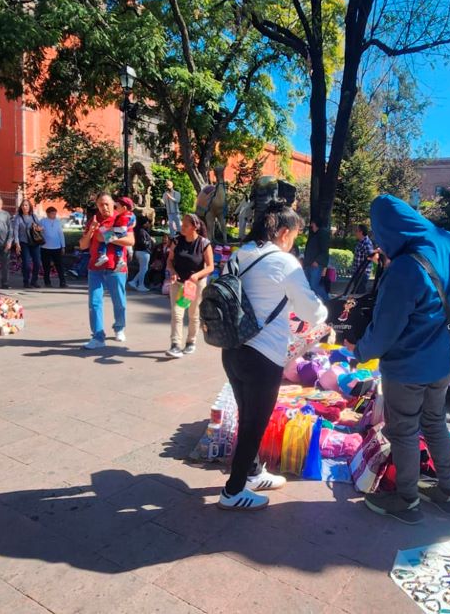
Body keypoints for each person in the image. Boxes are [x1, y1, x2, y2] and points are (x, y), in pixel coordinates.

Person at [349, 195, 450, 524]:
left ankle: (407, 500)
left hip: (408, 365)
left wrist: (358, 352)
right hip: (443, 358)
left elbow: (386, 328)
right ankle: (448, 493)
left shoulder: (405, 267)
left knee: (403, 431)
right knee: (434, 423)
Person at [217, 201, 327, 511]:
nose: (293, 242)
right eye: (293, 235)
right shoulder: (284, 262)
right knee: (255, 422)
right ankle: (233, 491)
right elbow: (310, 310)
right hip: (263, 356)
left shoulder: (240, 254)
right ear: (282, 232)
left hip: (232, 349)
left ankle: (251, 472)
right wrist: (324, 312)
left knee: (246, 413)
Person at [80, 192, 134, 349]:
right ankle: (98, 336)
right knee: (95, 302)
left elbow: (130, 240)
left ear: (113, 204)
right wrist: (92, 231)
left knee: (120, 302)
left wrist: (106, 236)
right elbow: (83, 245)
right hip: (95, 267)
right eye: (100, 205)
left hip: (117, 267)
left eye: (107, 204)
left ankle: (119, 327)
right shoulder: (94, 220)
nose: (104, 207)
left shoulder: (121, 217)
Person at [165, 213, 215, 358]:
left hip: (195, 285)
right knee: (177, 313)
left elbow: (211, 266)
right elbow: (169, 260)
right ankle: (175, 345)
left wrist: (197, 275)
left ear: (194, 227)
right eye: (182, 224)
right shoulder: (176, 241)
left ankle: (191, 342)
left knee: (193, 314)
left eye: (186, 225)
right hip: (179, 282)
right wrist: (172, 271)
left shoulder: (204, 243)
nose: (182, 227)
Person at [11, 199, 43, 288]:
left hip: (34, 242)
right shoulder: (18, 217)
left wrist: (39, 228)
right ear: (21, 207)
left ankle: (34, 281)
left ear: (29, 207)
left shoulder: (33, 216)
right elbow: (15, 232)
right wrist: (17, 244)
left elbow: (40, 226)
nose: (25, 207)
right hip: (24, 243)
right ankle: (26, 281)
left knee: (37, 262)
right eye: (23, 205)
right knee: (26, 263)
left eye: (26, 205)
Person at [39, 206, 68, 288]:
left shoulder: (58, 222)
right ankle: (47, 282)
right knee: (46, 266)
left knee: (60, 266)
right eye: (52, 213)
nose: (54, 215)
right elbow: (39, 232)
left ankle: (62, 282)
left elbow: (61, 234)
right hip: (45, 247)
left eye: (55, 213)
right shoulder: (42, 221)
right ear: (47, 213)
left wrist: (63, 246)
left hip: (57, 247)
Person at [303, 220, 331, 301]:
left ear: (315, 224)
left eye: (312, 223)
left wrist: (318, 261)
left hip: (315, 265)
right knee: (310, 286)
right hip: (309, 264)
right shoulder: (315, 234)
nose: (310, 225)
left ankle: (327, 301)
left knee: (314, 285)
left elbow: (325, 250)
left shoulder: (322, 234)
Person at [129, 216, 154, 293]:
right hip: (143, 252)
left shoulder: (139, 231)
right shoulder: (142, 231)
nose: (148, 224)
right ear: (144, 223)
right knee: (144, 269)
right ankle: (140, 284)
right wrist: (151, 241)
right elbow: (143, 243)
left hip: (140, 252)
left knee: (143, 269)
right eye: (146, 222)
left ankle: (135, 282)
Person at [351, 224, 377, 294]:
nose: (355, 233)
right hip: (358, 273)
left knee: (359, 294)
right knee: (354, 294)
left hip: (362, 274)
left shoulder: (366, 243)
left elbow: (371, 256)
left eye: (356, 231)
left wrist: (362, 270)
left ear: (361, 232)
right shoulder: (361, 242)